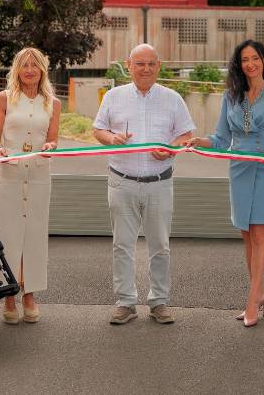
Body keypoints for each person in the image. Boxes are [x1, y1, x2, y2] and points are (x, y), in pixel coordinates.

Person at [185, 39, 264, 327]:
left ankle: (251, 301)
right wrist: (202, 141)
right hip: (239, 170)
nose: (250, 64)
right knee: (247, 235)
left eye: (255, 58)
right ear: (240, 64)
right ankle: (259, 292)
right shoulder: (230, 97)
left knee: (259, 234)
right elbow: (221, 139)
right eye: (245, 59)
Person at [92, 44, 195, 325]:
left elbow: (186, 134)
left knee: (160, 245)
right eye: (140, 64)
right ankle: (125, 302)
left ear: (159, 66)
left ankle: (159, 301)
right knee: (122, 245)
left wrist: (171, 148)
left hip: (159, 183)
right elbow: (98, 129)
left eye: (151, 63)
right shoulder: (114, 97)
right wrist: (111, 138)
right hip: (121, 181)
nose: (145, 69)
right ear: (129, 65)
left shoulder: (172, 99)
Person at [0, 47, 61, 324]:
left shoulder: (52, 103)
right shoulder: (4, 99)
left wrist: (50, 146)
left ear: (42, 69)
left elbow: (54, 139)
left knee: (34, 233)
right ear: (16, 70)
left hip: (39, 176)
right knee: (8, 234)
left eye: (34, 65)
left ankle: (29, 294)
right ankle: (9, 295)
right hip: (9, 175)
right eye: (24, 65)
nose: (29, 70)